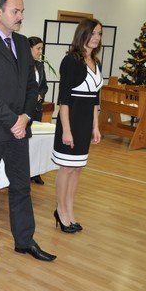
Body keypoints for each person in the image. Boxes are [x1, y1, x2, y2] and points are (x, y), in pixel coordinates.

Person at [0, 0, 56, 263]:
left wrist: (26, 117)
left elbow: (31, 86)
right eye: (15, 11)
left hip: (20, 127)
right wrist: (13, 120)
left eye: (22, 11)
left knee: (21, 186)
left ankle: (24, 240)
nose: (20, 16)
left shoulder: (20, 42)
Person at [51, 18, 103, 233]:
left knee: (77, 169)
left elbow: (95, 100)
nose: (96, 37)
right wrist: (66, 130)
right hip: (70, 123)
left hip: (85, 124)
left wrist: (96, 127)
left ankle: (69, 211)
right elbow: (63, 100)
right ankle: (61, 211)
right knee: (66, 168)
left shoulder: (96, 62)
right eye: (93, 33)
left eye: (99, 34)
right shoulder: (71, 61)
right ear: (83, 34)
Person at [28, 36, 48, 185]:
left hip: (37, 107)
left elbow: (44, 86)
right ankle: (25, 172)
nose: (40, 51)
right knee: (26, 142)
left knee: (36, 141)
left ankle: (35, 173)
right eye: (38, 48)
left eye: (41, 48)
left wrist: (40, 94)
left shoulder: (40, 66)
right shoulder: (21, 64)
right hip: (25, 109)